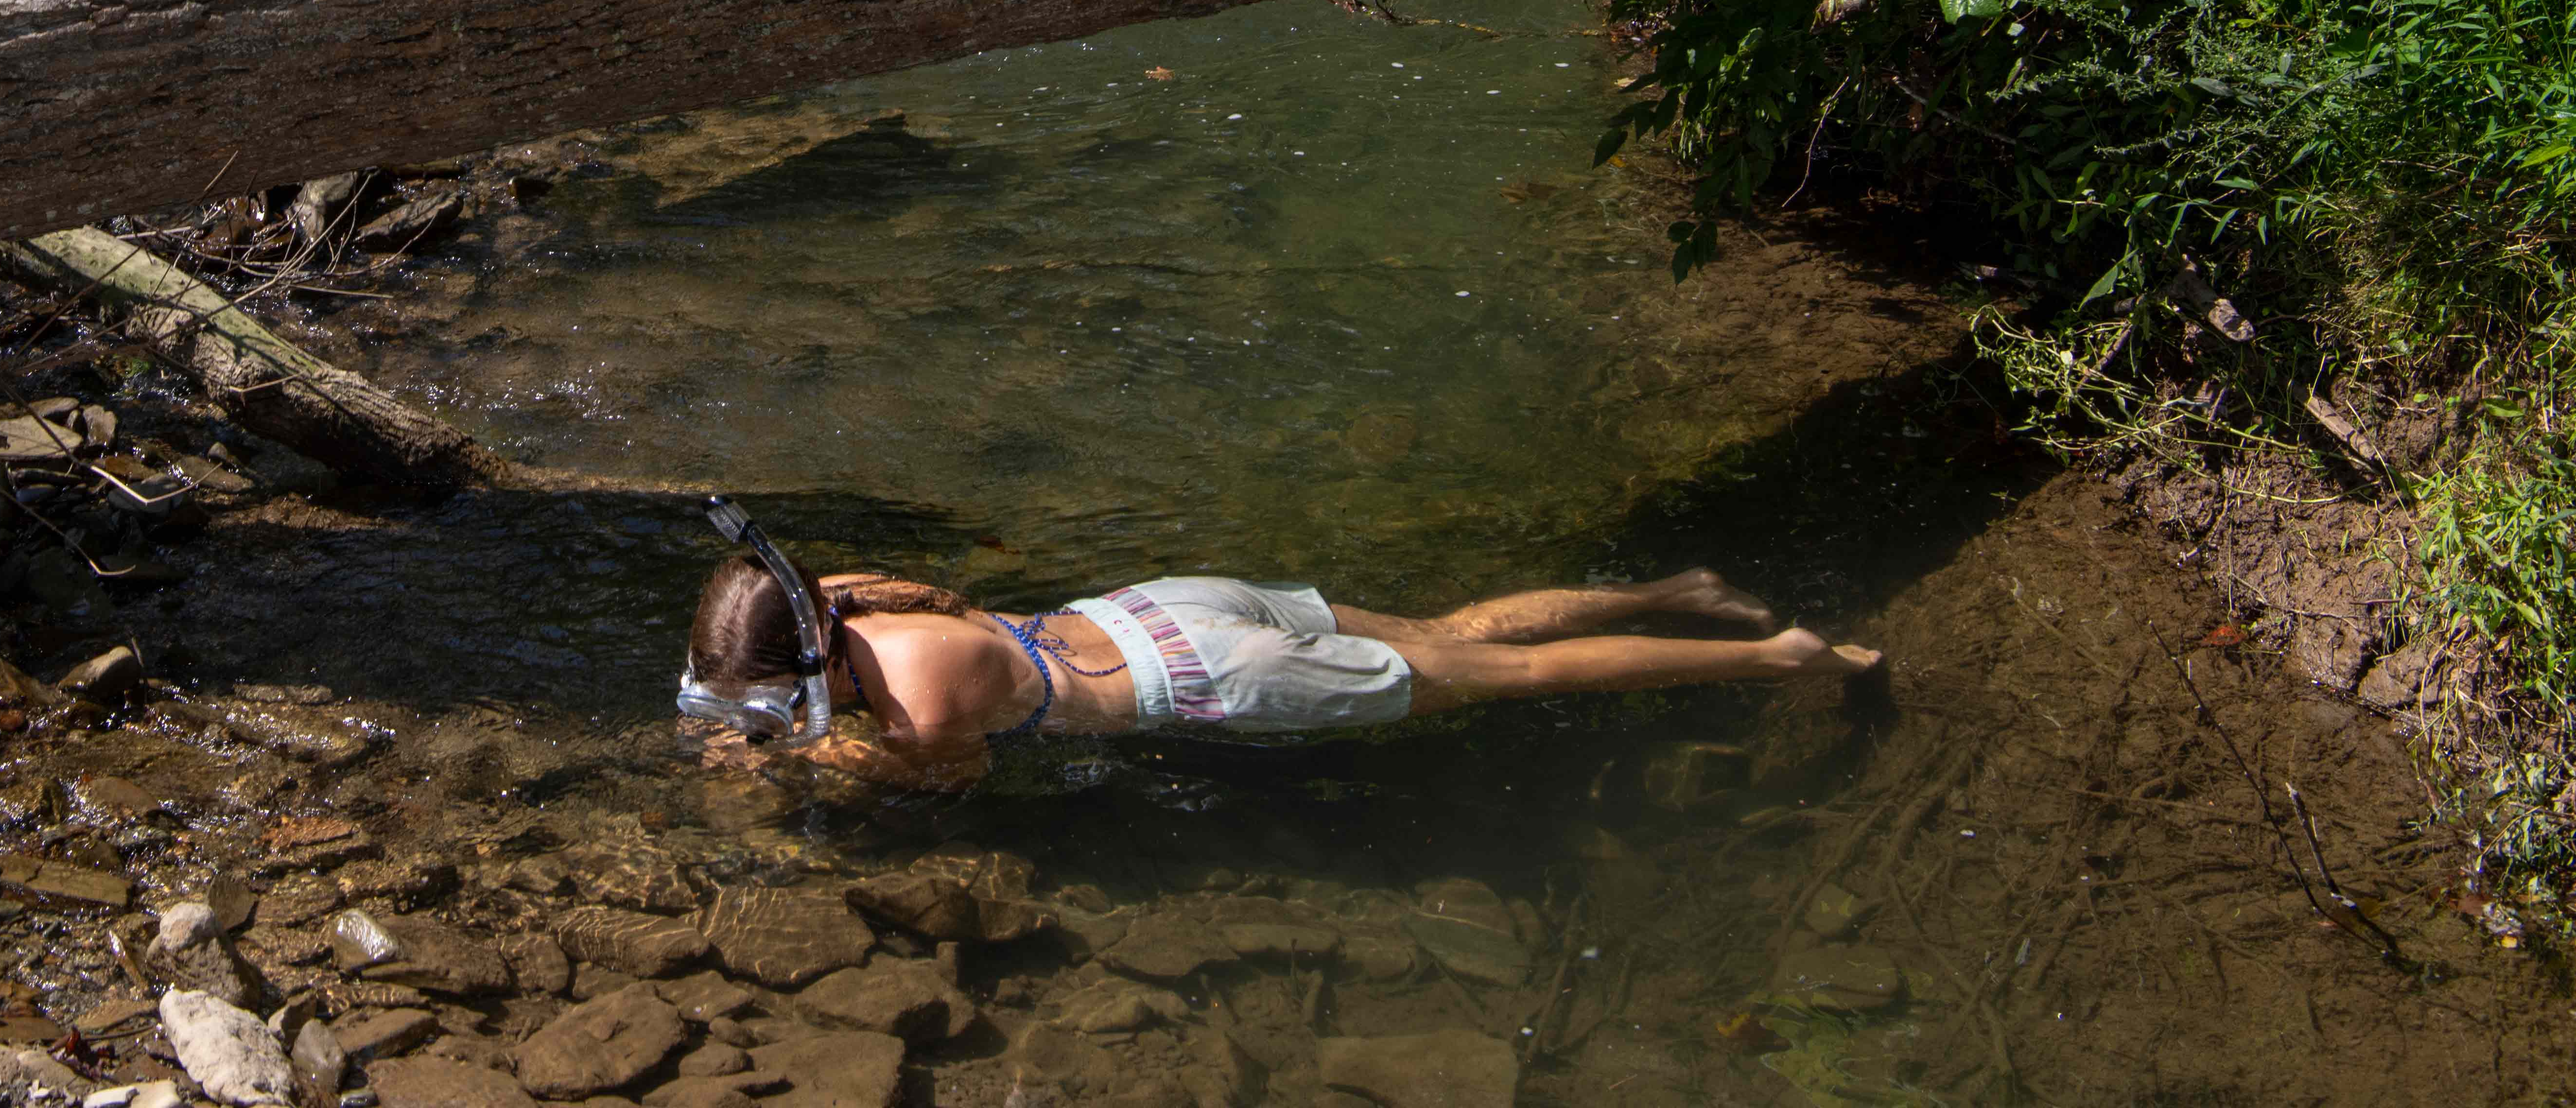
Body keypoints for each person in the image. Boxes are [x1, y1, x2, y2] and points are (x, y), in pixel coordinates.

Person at [675, 502, 1881, 788]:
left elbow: (955, 776)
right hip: (1162, 605)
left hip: (1203, 676)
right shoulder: (834, 591)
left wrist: (802, 769)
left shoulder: (915, 715)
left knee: (1508, 677)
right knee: (1450, 635)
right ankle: (1677, 584)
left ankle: (1779, 655)